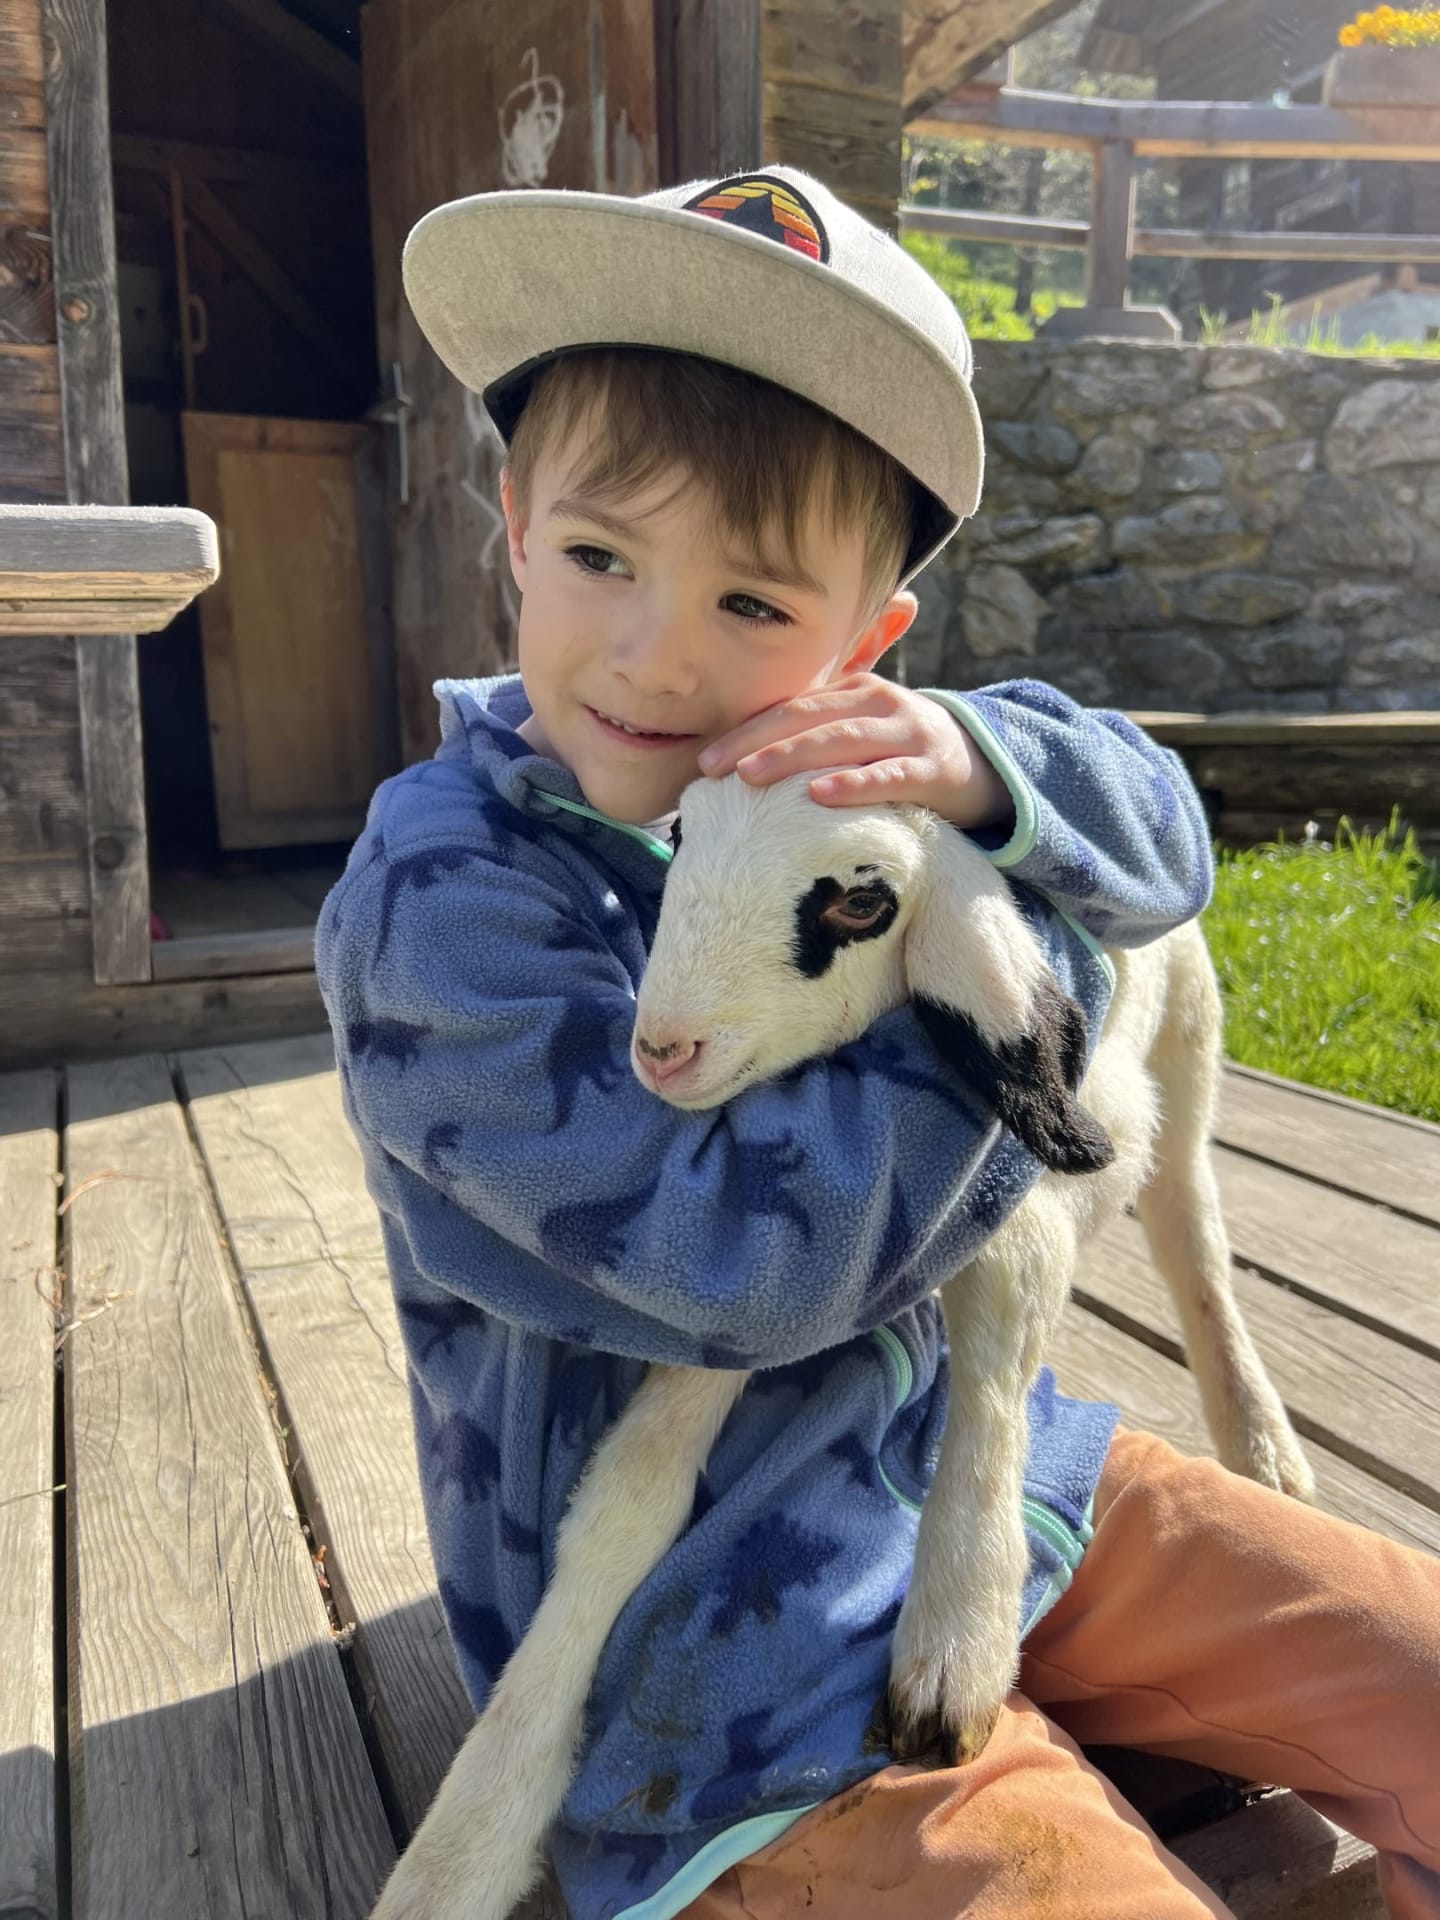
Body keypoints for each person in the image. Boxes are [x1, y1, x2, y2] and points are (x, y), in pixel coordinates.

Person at [316, 167, 1440, 1920]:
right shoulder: (443, 906)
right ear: (516, 523)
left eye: (754, 606)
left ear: (869, 642)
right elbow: (732, 1264)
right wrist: (996, 985)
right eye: (603, 558)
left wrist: (985, 774)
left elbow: (1163, 835)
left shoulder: (860, 781)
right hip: (710, 1659)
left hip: (1003, 1481)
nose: (656, 658)